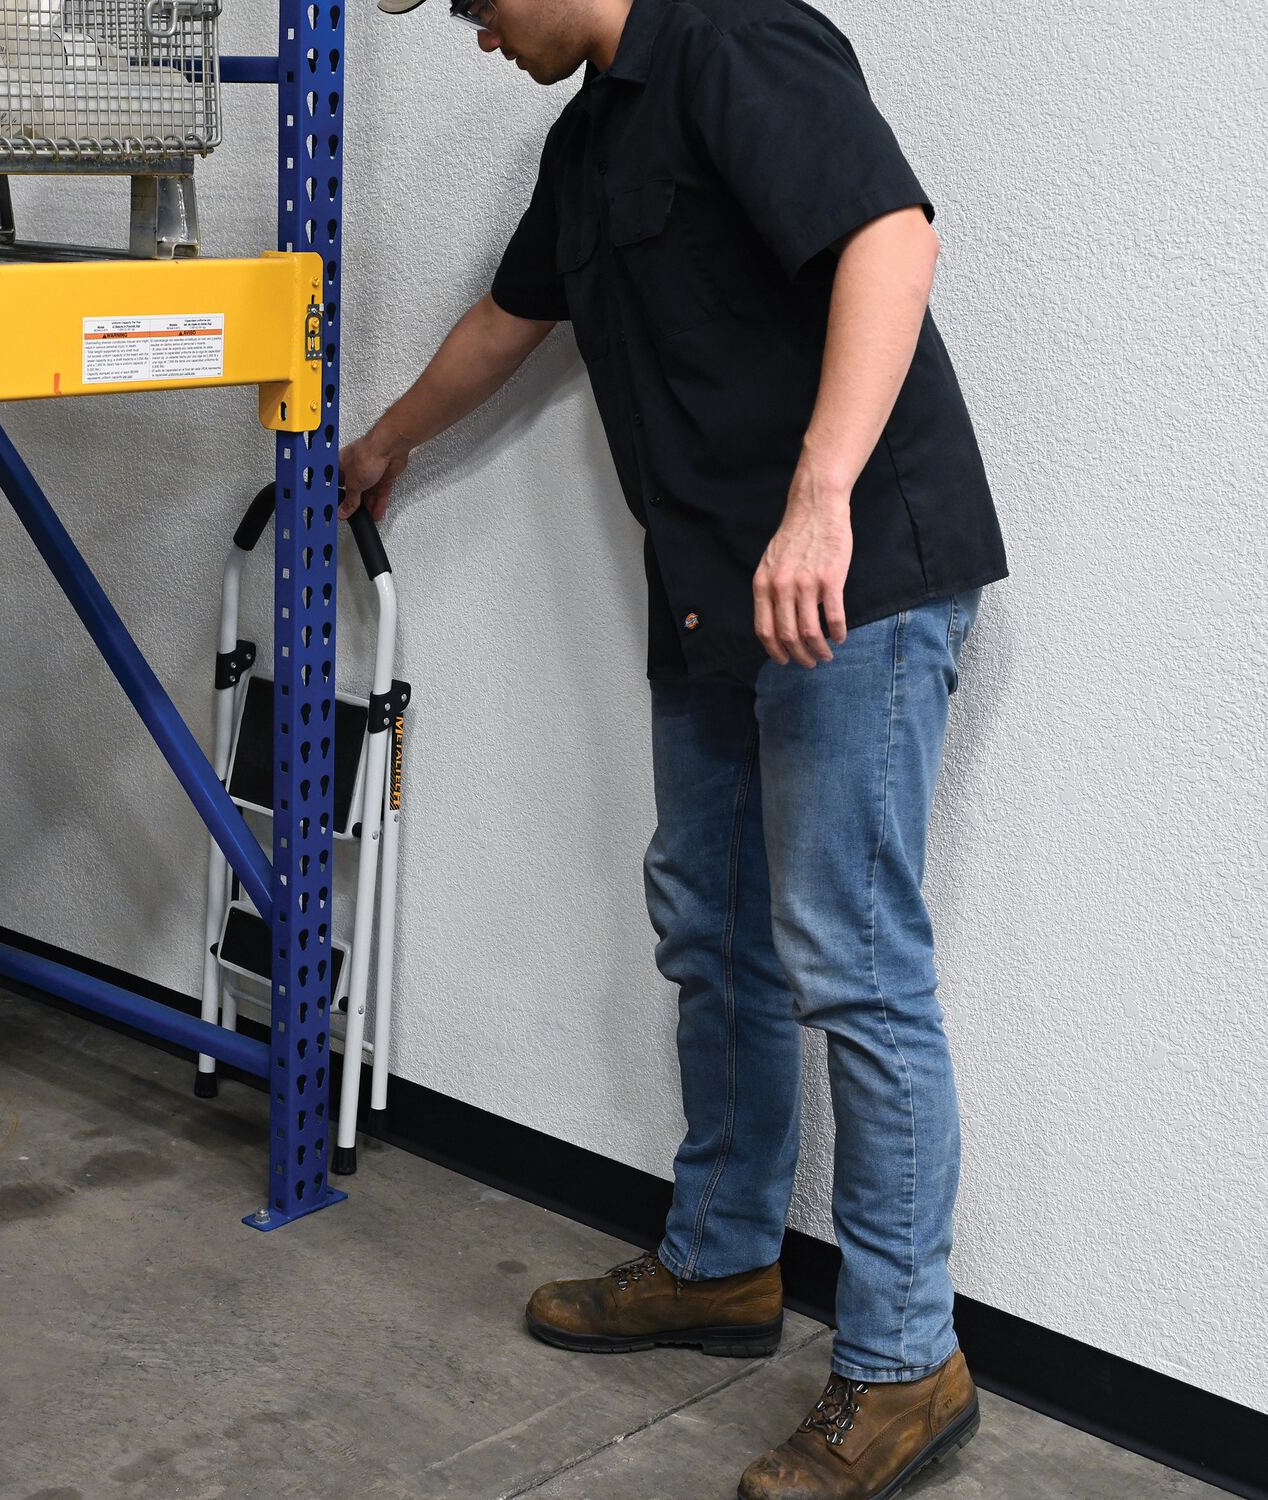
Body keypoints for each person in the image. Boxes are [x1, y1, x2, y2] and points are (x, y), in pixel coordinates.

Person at [339, 0, 1010, 1494]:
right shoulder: (589, 141)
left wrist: (821, 499)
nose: (473, 34)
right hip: (717, 591)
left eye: (470, 2)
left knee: (854, 963)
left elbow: (890, 240)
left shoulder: (737, 42)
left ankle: (906, 1363)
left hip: (850, 581)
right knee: (713, 926)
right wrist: (389, 438)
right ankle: (721, 1262)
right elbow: (511, 321)